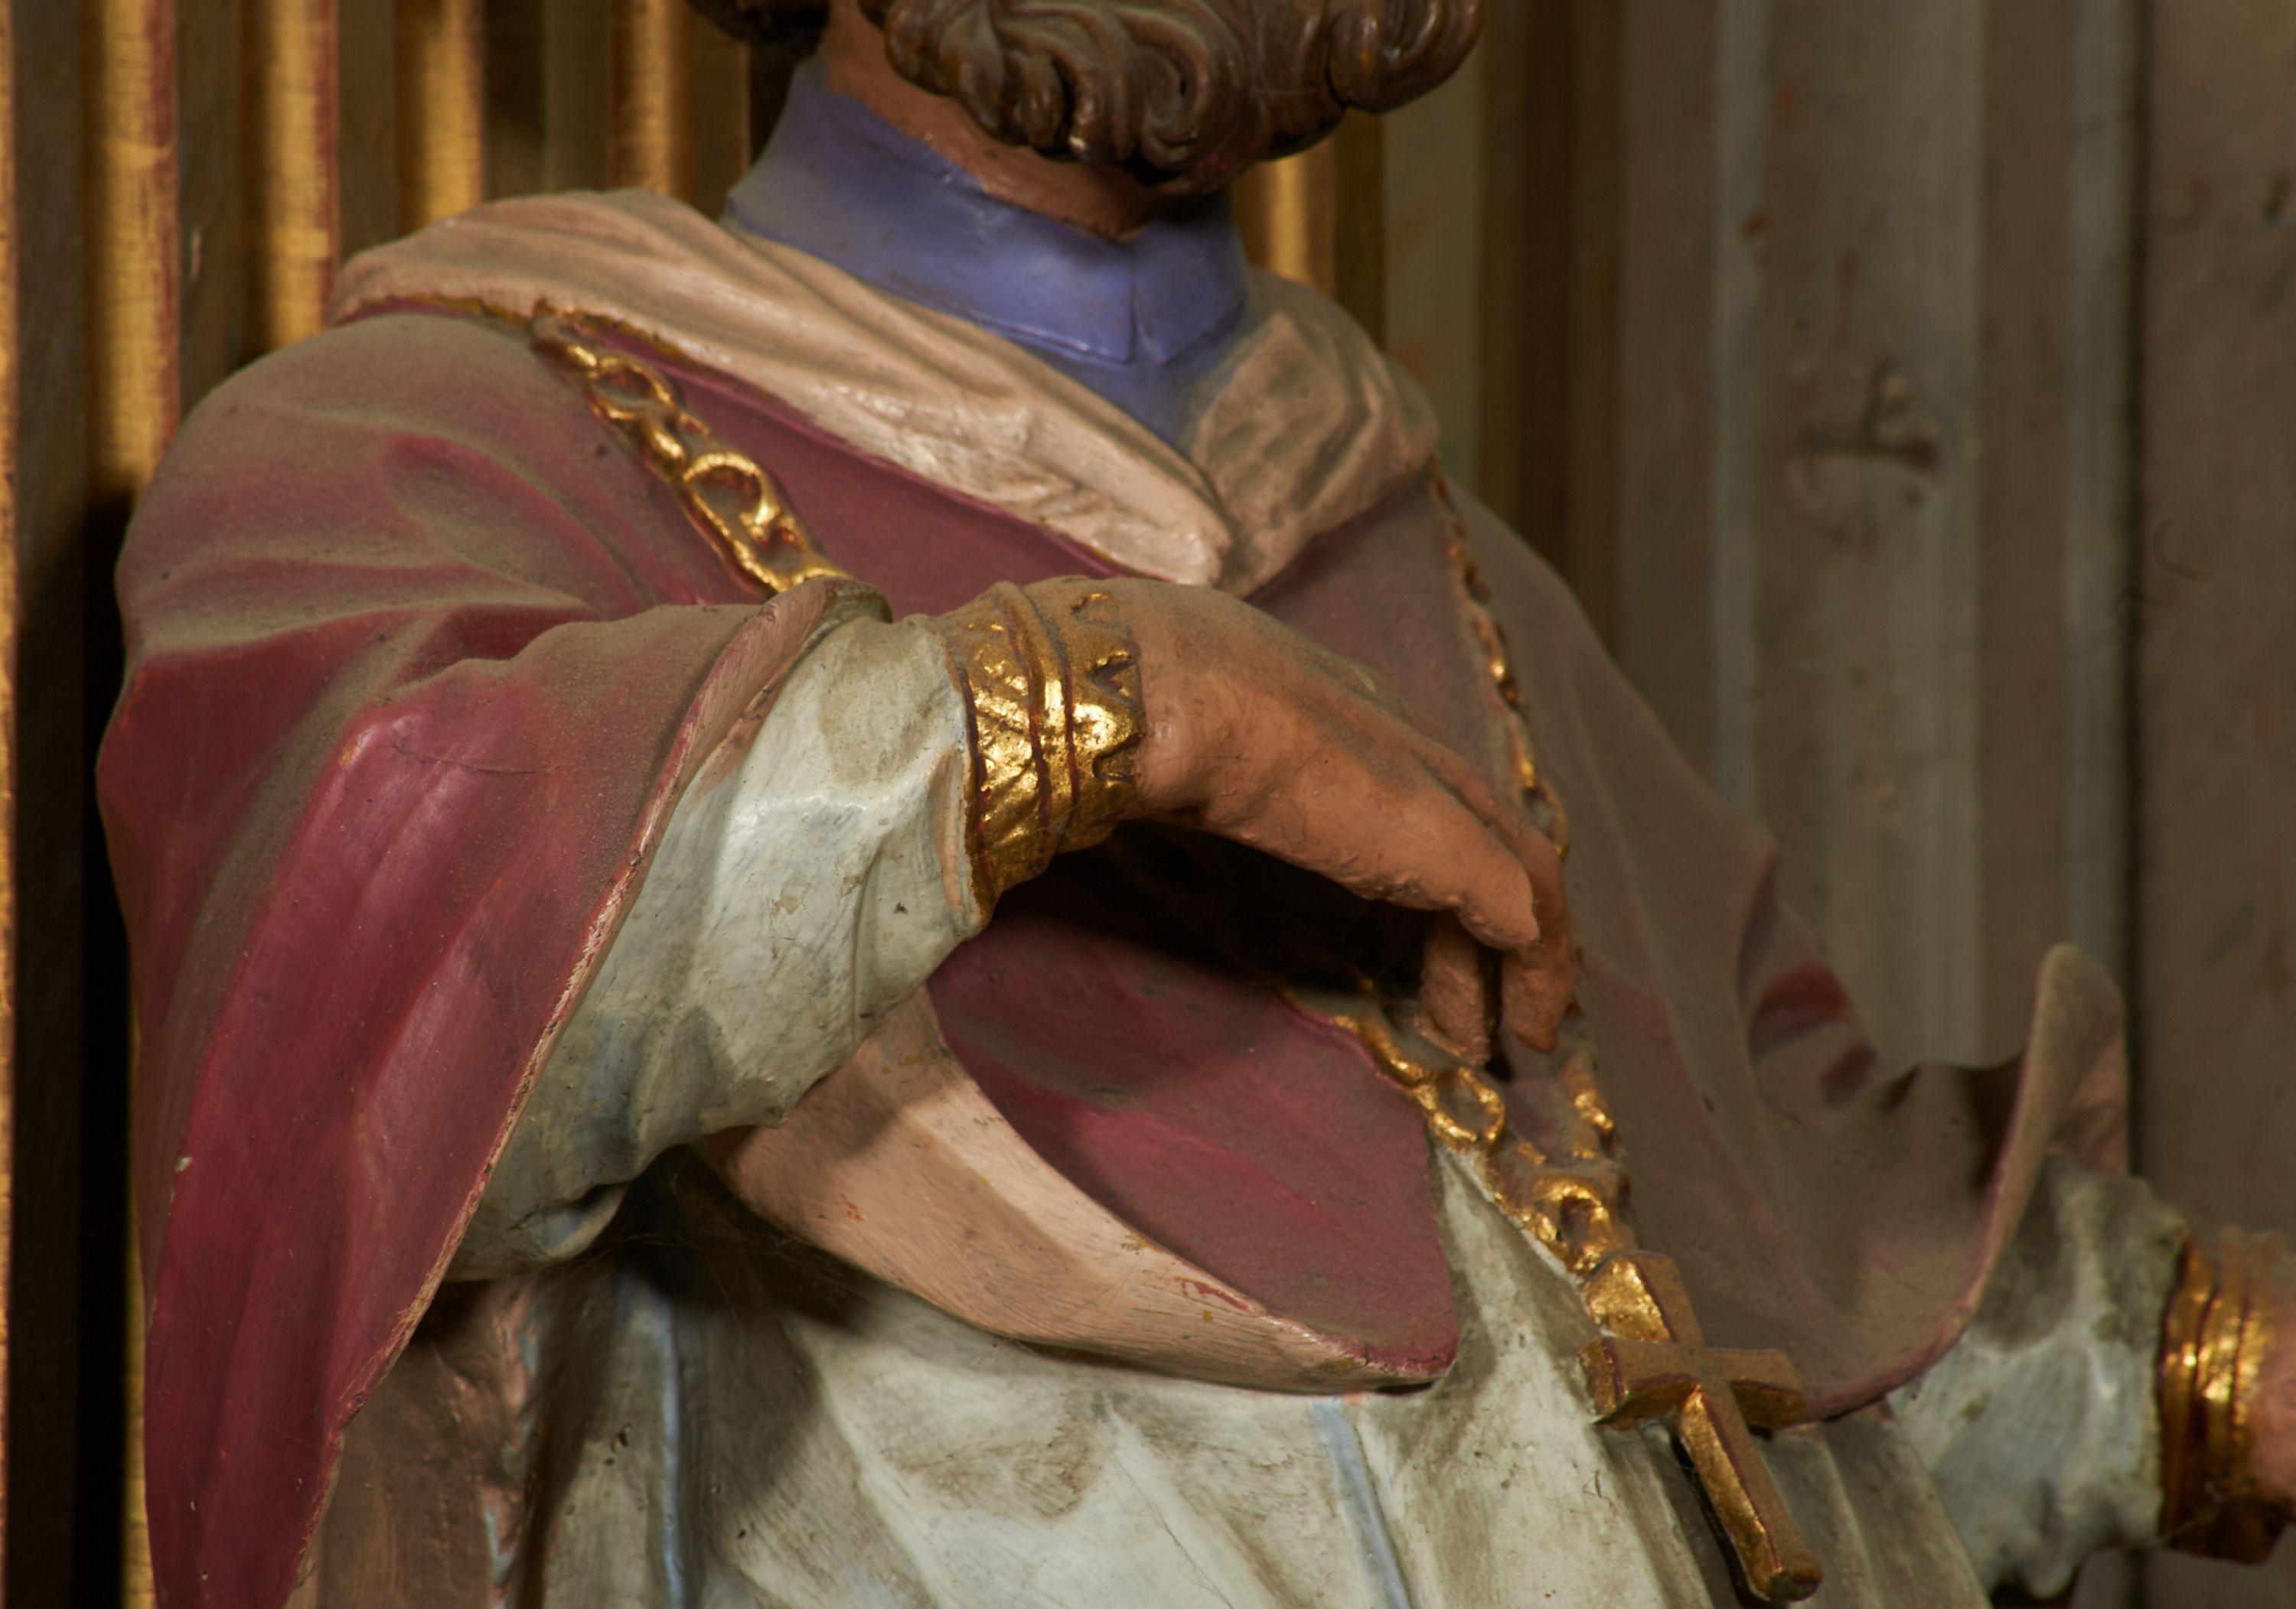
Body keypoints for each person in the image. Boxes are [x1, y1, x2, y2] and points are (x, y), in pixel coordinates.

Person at [98, 1, 2296, 1604]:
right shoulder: (429, 454)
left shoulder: (1450, 568)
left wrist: (2197, 1367)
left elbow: (1790, 1290)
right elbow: (392, 952)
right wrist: (1096, 707)